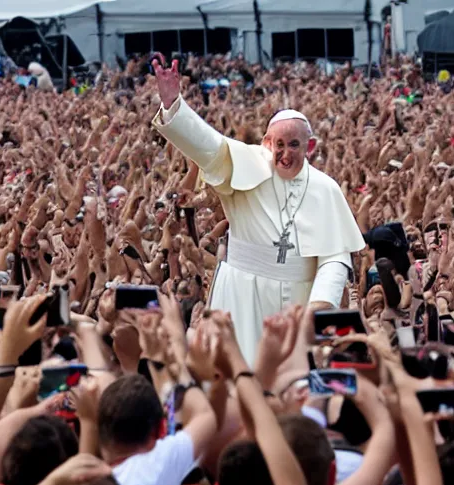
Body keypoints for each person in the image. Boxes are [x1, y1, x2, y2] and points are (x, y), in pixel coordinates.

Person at [151, 57, 365, 363]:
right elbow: (208, 146)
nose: (285, 153)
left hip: (300, 300)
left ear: (311, 147)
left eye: (294, 145)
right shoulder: (245, 164)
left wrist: (320, 306)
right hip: (241, 295)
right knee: (236, 377)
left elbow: (334, 257)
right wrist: (174, 104)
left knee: (292, 384)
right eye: (278, 144)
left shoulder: (326, 188)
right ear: (266, 142)